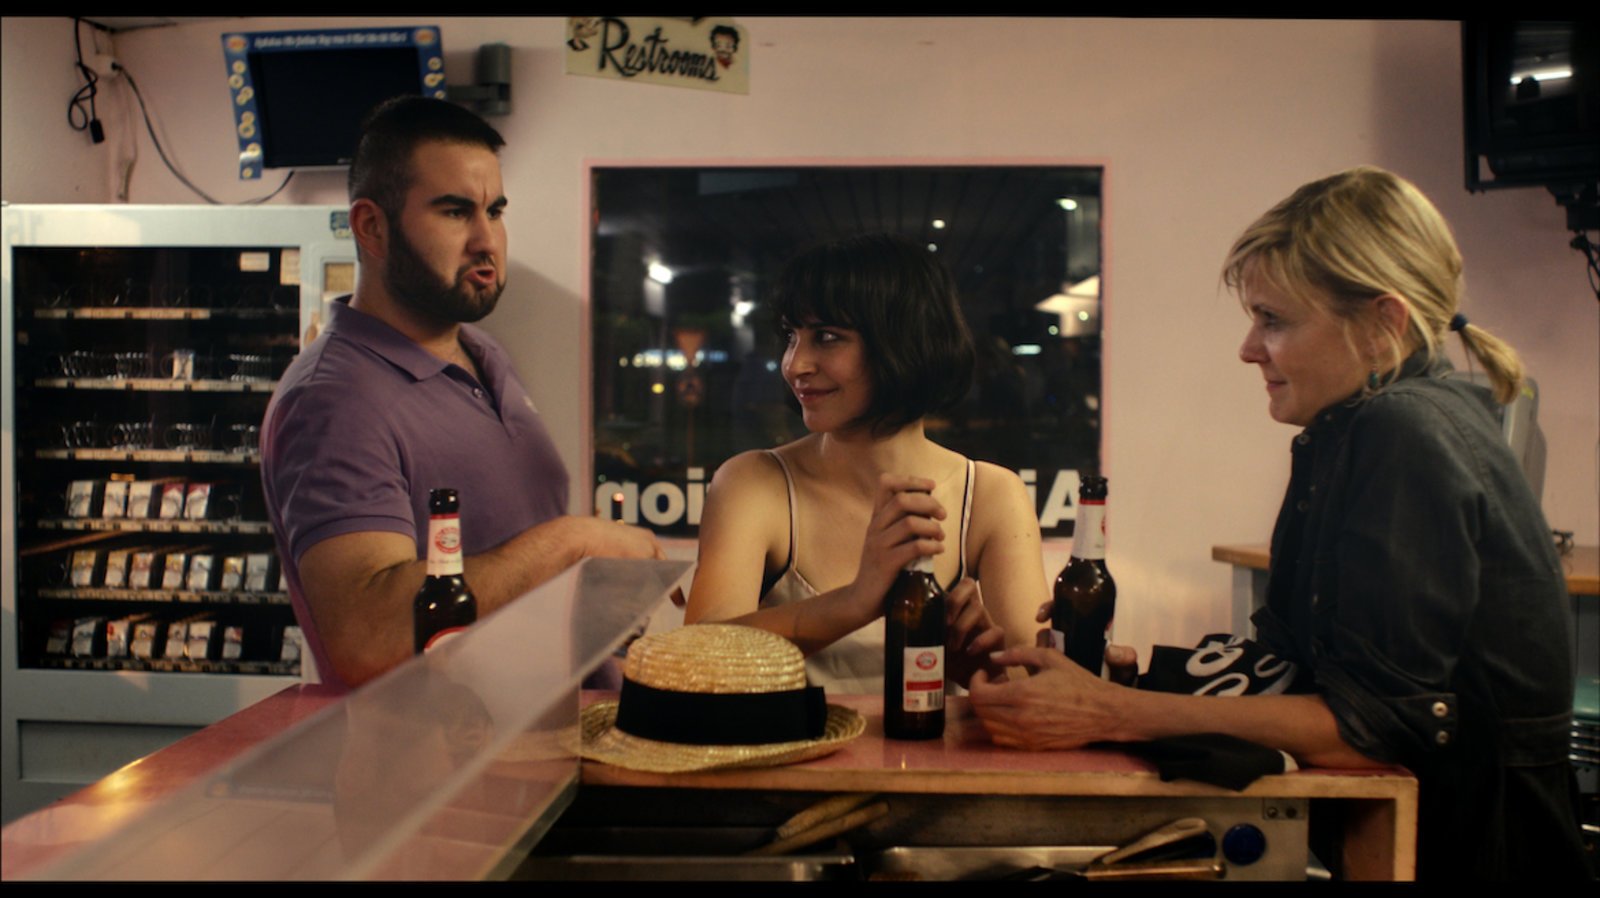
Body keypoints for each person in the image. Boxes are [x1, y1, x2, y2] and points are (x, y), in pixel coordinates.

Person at [968, 166, 1589, 880]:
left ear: (1383, 324)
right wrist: (1144, 683)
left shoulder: (1406, 433)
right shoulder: (1345, 433)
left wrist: (1109, 712)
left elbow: (1373, 728)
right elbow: (1293, 669)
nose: (1248, 348)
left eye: (1274, 320)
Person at [262, 96, 661, 690]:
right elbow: (368, 638)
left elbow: (508, 566)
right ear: (372, 226)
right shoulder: (336, 401)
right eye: (454, 212)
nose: (487, 240)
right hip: (447, 770)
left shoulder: (483, 353)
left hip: (550, 747)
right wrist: (572, 541)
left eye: (494, 211)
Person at [686, 234, 1046, 693]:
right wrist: (856, 601)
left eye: (828, 338)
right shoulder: (754, 482)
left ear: (904, 341)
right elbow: (695, 660)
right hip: (784, 761)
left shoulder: (990, 494)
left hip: (937, 762)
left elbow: (1036, 687)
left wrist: (975, 668)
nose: (795, 364)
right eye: (792, 337)